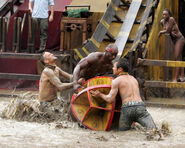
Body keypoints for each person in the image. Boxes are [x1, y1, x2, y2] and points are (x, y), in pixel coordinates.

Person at [90, 58, 156, 131]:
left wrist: (100, 94)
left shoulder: (117, 81)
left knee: (123, 133)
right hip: (140, 107)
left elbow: (110, 99)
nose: (113, 68)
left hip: (127, 109)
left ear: (120, 69)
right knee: (153, 130)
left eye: (114, 67)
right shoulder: (134, 79)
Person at [158, 8, 185, 82]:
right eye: (163, 14)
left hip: (180, 39)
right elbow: (168, 31)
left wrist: (161, 32)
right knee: (179, 57)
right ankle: (182, 76)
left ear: (169, 15)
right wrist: (169, 32)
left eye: (166, 14)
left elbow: (167, 30)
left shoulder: (171, 19)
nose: (164, 16)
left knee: (177, 57)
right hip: (174, 40)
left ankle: (175, 78)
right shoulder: (162, 22)